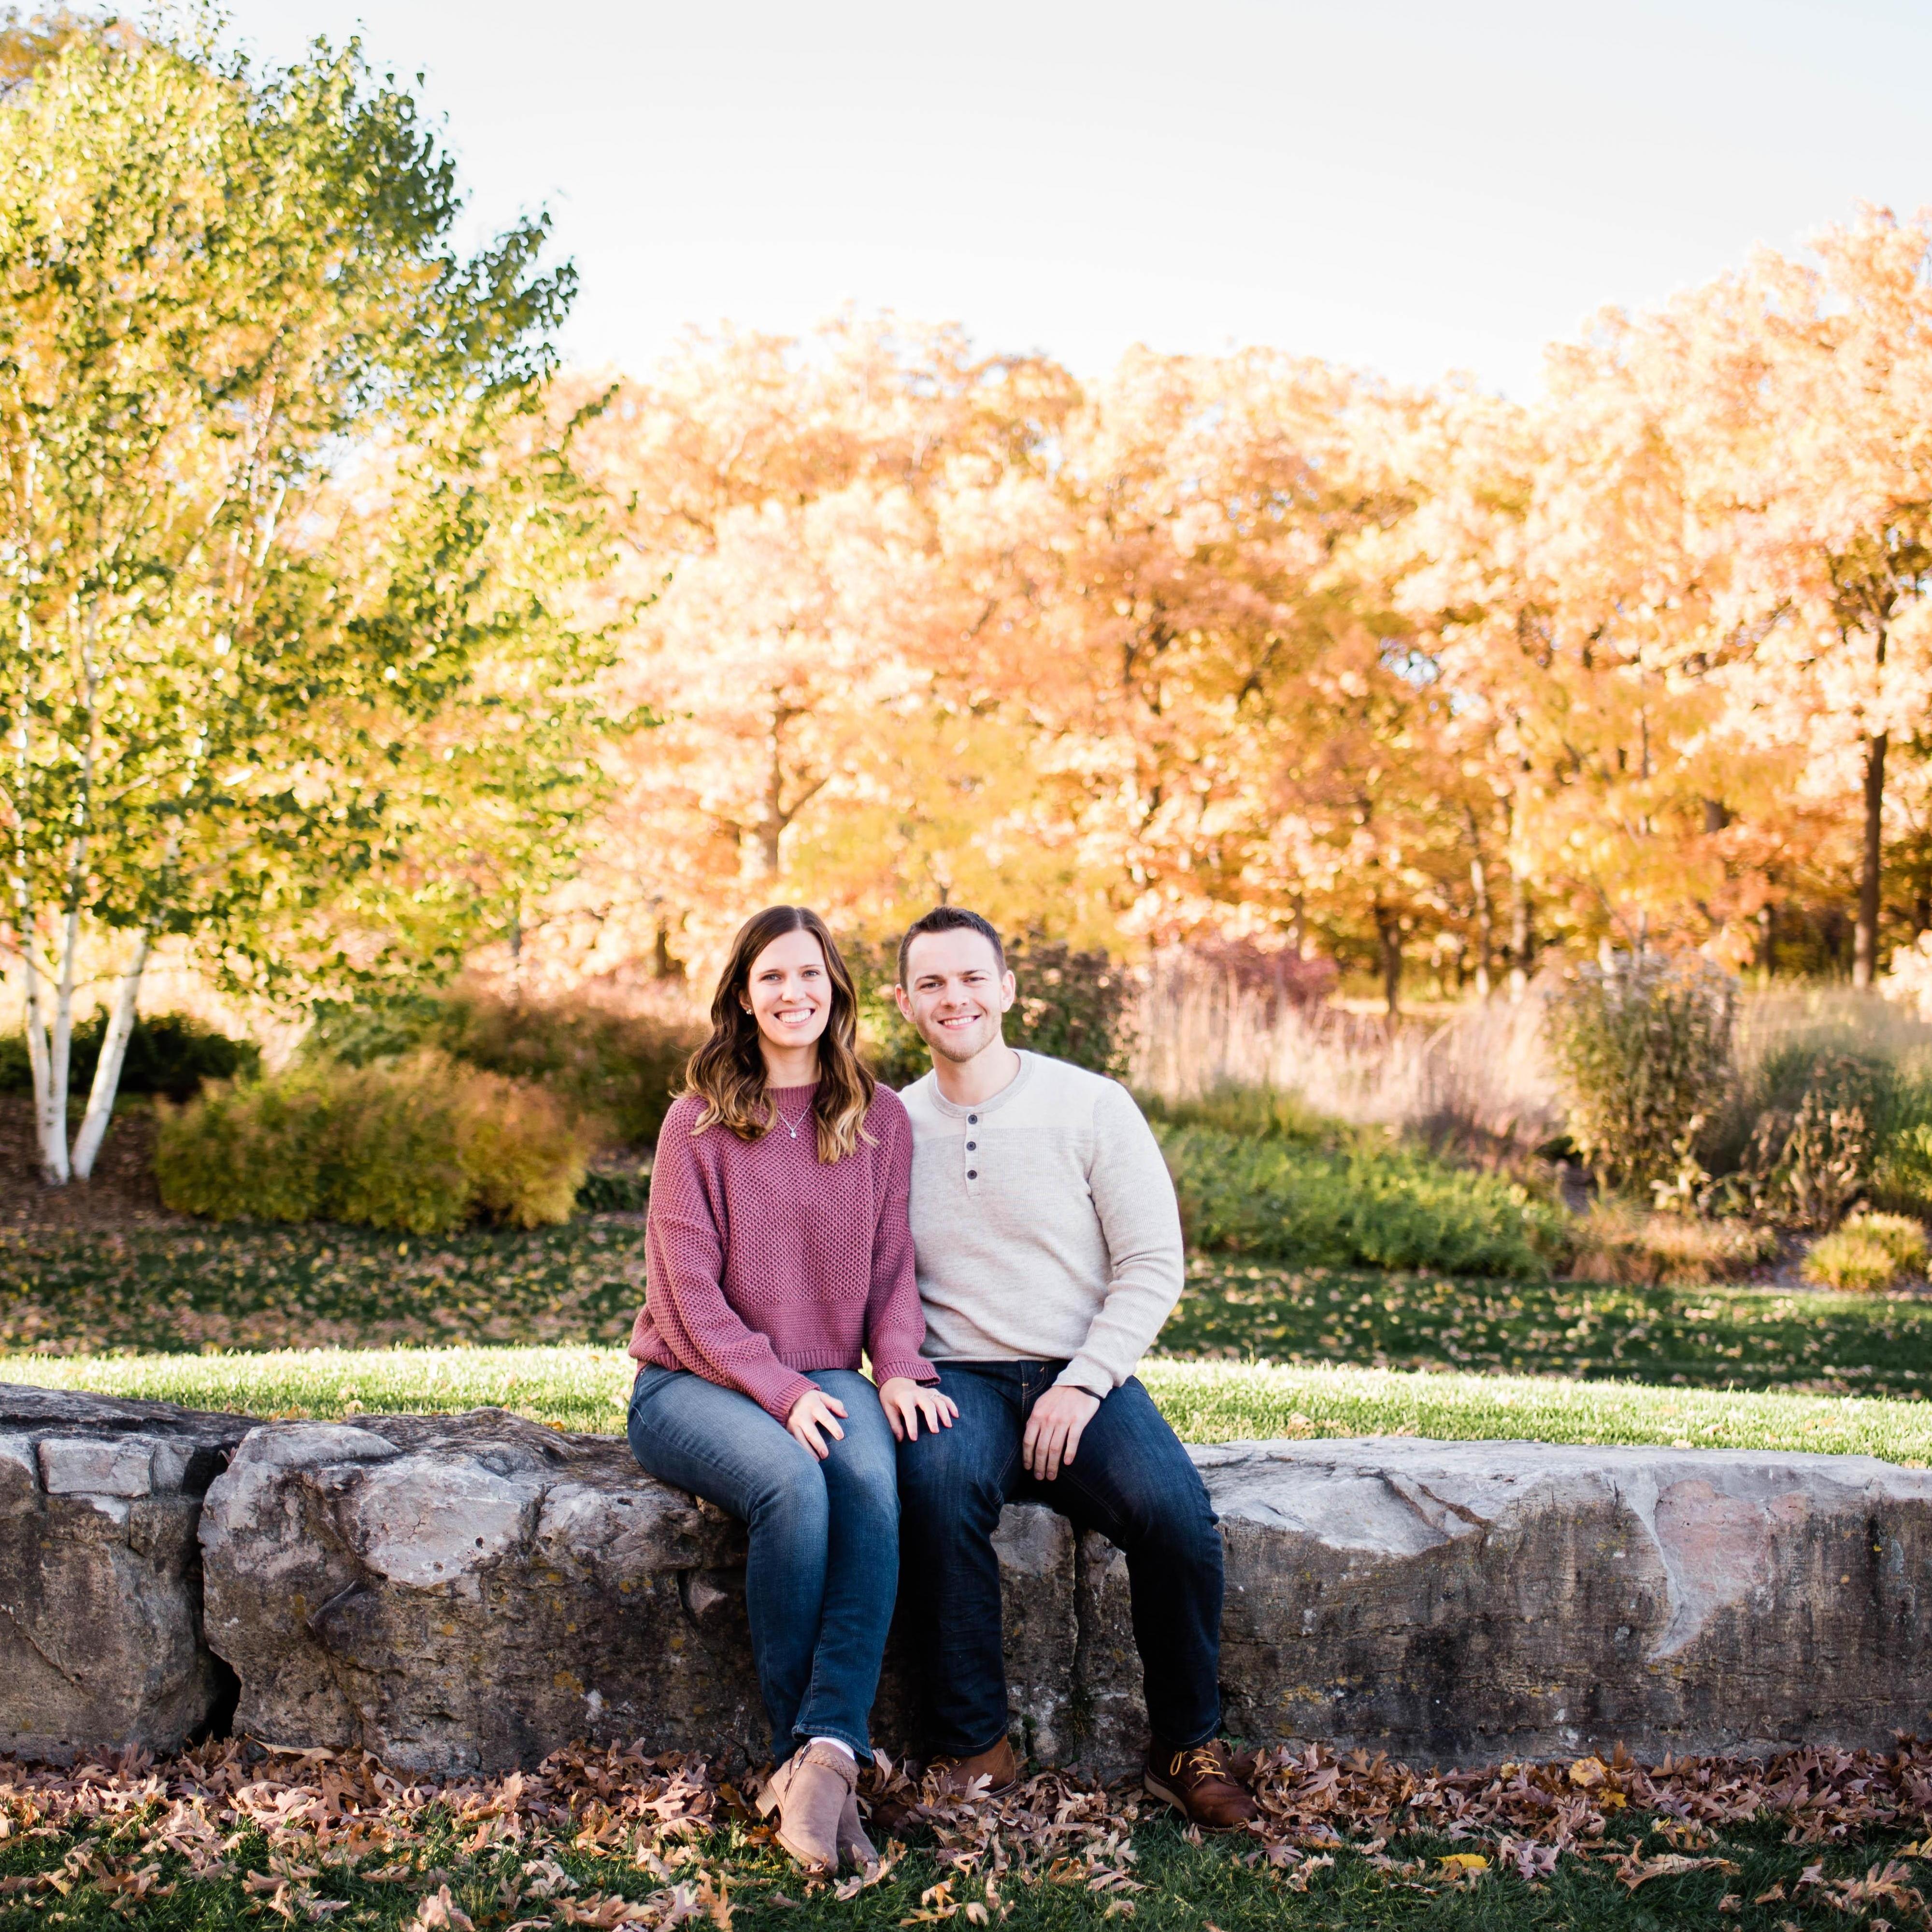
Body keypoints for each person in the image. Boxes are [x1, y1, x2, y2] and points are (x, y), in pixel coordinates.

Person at [890, 906, 1257, 1830]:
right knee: (935, 1492)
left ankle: (1185, 1744)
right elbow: (866, 1272)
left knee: (1176, 1515)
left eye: (972, 977)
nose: (954, 997)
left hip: (1078, 1368)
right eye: (931, 983)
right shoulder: (888, 1126)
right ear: (904, 1003)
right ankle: (978, 1745)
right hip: (957, 1376)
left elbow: (1152, 1264)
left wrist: (1086, 1380)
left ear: (1008, 990)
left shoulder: (1091, 1105)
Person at [625, 904, 957, 1875]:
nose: (793, 993)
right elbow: (684, 1292)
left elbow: (894, 1268)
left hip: (823, 1374)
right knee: (792, 1483)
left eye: (810, 974)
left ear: (836, 990)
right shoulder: (697, 1121)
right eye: (772, 976)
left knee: (872, 1478)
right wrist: (778, 1390)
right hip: (689, 1377)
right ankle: (789, 1753)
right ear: (741, 991)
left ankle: (826, 1755)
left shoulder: (877, 1116)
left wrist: (895, 1366)